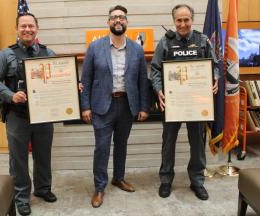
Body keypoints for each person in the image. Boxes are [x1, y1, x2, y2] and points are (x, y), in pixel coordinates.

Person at [81, 5, 150, 208]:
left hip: (127, 105)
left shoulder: (136, 49)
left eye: (122, 17)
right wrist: (85, 106)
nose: (118, 20)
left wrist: (144, 107)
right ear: (108, 22)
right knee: (101, 148)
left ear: (126, 22)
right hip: (102, 107)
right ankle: (99, 187)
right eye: (114, 17)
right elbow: (86, 79)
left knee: (121, 145)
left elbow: (141, 81)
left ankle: (118, 178)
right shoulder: (95, 47)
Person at [0, 13, 57, 216]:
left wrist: (72, 86)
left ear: (37, 28)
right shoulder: (5, 54)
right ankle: (21, 197)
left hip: (43, 115)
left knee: (43, 155)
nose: (27, 29)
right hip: (17, 117)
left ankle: (43, 189)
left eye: (31, 26)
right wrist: (10, 95)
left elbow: (59, 78)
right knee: (18, 159)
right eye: (23, 26)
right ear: (17, 29)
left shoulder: (48, 52)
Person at [151, 4, 219, 201]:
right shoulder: (165, 42)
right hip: (173, 103)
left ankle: (197, 181)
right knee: (168, 143)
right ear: (174, 21)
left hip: (197, 104)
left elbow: (214, 64)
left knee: (197, 144)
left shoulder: (203, 40)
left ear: (192, 19)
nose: (182, 24)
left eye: (186, 19)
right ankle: (166, 180)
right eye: (179, 20)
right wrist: (159, 90)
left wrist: (214, 78)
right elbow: (155, 69)